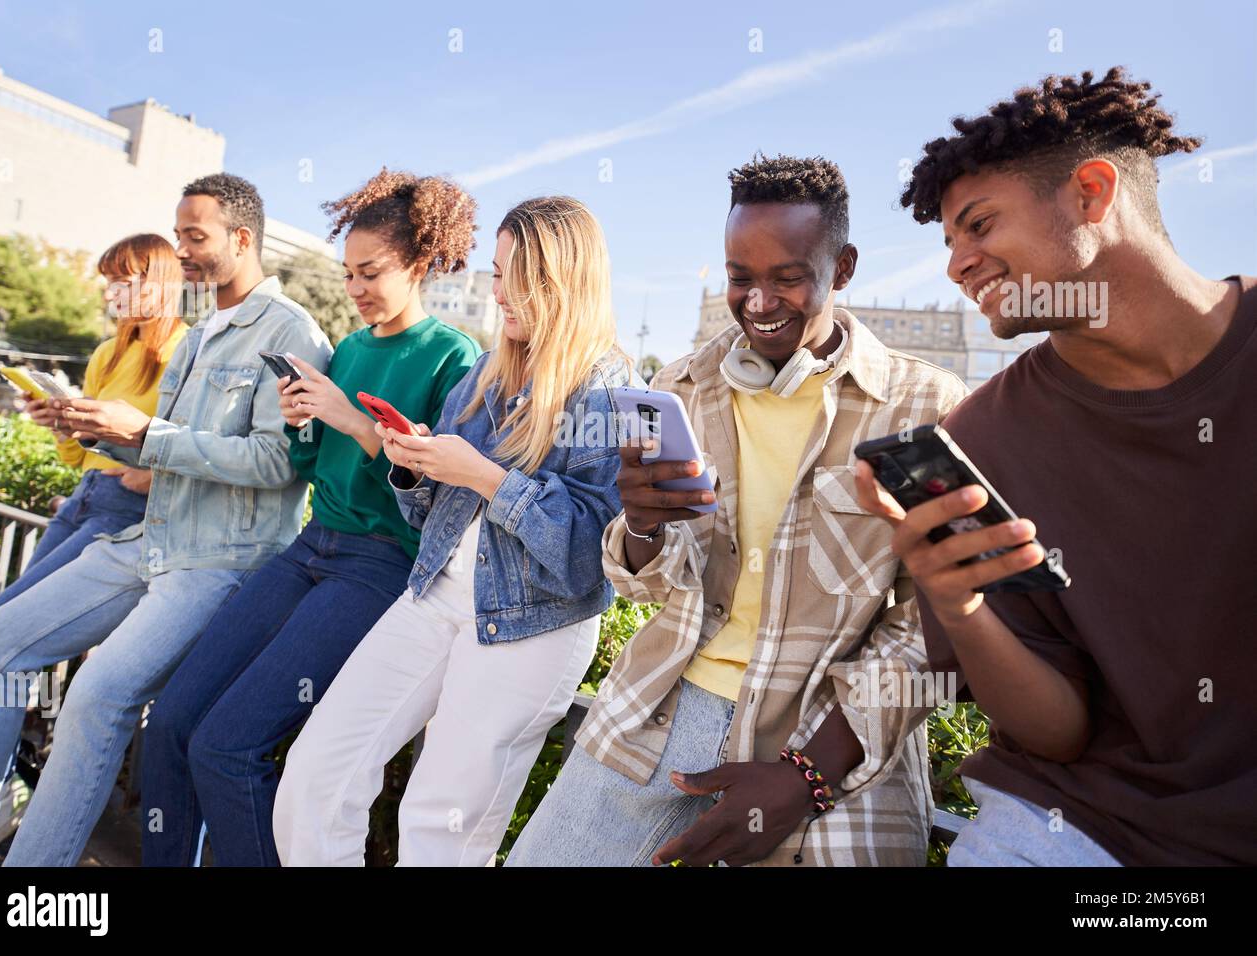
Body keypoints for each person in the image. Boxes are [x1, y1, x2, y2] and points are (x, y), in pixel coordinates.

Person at [506, 154, 968, 868]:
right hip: (656, 713)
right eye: (739, 279)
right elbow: (645, 587)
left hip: (834, 743)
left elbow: (927, 630)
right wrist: (640, 528)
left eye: (787, 278)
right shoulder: (679, 388)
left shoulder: (924, 409)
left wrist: (806, 776)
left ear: (842, 267)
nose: (758, 303)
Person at [856, 67, 1256, 866]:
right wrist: (959, 604)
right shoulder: (979, 442)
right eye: (948, 242)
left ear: (1092, 193)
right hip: (1080, 831)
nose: (957, 264)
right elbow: (1056, 732)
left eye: (979, 226)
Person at [0, 173, 331, 867]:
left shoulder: (293, 333)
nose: (182, 248)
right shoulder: (199, 334)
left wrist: (147, 433)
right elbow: (154, 443)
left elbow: (281, 464)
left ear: (241, 239)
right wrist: (86, 426)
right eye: (180, 231)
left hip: (219, 562)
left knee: (96, 701)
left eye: (196, 235)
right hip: (147, 541)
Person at [272, 196, 634, 866]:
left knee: (442, 827)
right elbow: (433, 508)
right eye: (495, 275)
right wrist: (414, 465)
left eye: (511, 277)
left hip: (532, 625)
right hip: (435, 596)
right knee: (314, 776)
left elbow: (589, 555)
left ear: (561, 281)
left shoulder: (610, 390)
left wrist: (485, 477)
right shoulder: (485, 373)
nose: (496, 294)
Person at [140, 170, 482, 867]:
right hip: (309, 547)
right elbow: (313, 460)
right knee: (172, 722)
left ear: (419, 264)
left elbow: (441, 498)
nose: (355, 290)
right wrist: (303, 418)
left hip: (380, 561)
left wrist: (354, 421)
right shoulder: (351, 349)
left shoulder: (454, 357)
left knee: (226, 746)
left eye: (371, 273)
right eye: (347, 273)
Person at [0, 234, 187, 618]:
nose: (110, 296)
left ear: (158, 283)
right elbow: (77, 456)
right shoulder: (106, 354)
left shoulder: (188, 351)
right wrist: (59, 422)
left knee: (14, 615)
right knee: (6, 613)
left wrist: (148, 474)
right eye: (108, 284)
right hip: (84, 494)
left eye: (121, 284)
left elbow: (195, 444)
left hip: (129, 507)